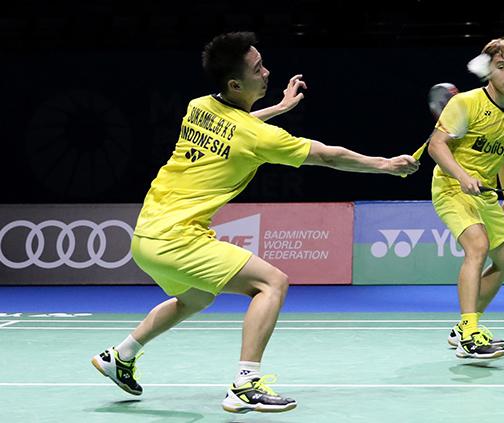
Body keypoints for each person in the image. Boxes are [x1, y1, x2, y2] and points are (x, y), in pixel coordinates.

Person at [91, 31, 418, 414]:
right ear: (235, 83)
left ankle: (120, 356)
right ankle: (245, 384)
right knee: (272, 283)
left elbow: (236, 127)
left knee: (195, 297)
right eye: (258, 68)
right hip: (179, 238)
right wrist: (385, 165)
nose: (266, 72)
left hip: (146, 235)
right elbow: (326, 156)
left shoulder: (198, 106)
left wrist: (279, 107)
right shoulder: (256, 136)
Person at [427, 37, 504, 359]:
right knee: (478, 246)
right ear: (488, 72)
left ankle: (465, 325)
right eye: (501, 67)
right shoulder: (464, 103)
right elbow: (436, 146)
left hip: (484, 192)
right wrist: (463, 176)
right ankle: (469, 333)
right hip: (452, 187)